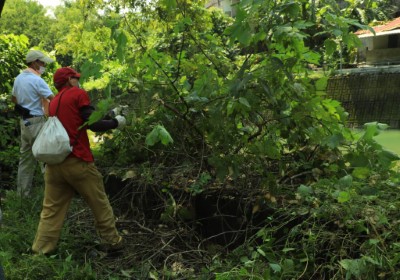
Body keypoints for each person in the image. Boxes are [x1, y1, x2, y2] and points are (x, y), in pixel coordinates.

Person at [31, 67, 126, 255]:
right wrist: (117, 123)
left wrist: (110, 115)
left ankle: (41, 250)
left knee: (51, 210)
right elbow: (92, 124)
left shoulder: (55, 101)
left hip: (54, 166)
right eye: (76, 78)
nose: (78, 81)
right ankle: (113, 244)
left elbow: (79, 119)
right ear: (69, 80)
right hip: (78, 162)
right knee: (99, 203)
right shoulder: (77, 93)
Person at [11, 50, 55, 197]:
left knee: (25, 160)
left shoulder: (18, 79)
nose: (44, 66)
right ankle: (52, 195)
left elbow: (14, 99)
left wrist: (25, 105)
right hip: (37, 121)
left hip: (24, 122)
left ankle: (23, 195)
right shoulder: (37, 80)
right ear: (35, 62)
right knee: (46, 158)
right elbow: (53, 99)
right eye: (42, 63)